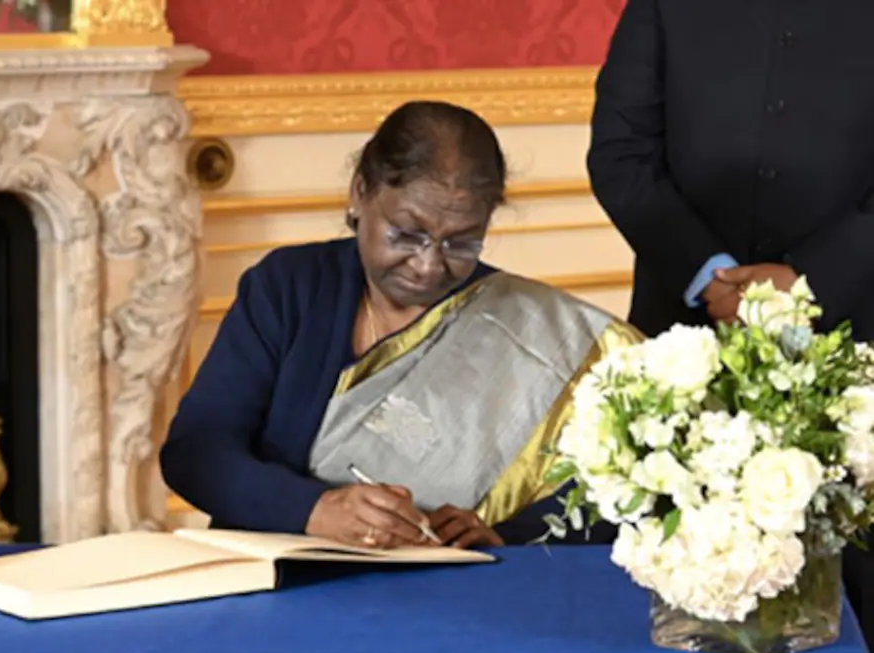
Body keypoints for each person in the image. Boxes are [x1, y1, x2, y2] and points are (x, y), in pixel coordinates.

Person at [160, 101, 642, 550]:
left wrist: (501, 531)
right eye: (406, 234)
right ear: (359, 193)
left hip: (444, 599)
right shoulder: (290, 288)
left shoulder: (533, 329)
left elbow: (616, 500)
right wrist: (314, 509)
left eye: (462, 243)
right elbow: (195, 453)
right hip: (276, 576)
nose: (429, 265)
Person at [587, 0, 874, 644]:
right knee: (682, 601)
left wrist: (805, 282)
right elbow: (620, 152)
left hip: (857, 336)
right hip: (687, 341)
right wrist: (707, 273)